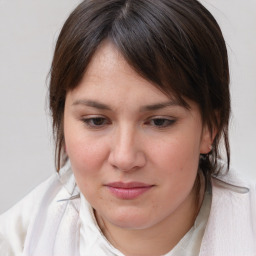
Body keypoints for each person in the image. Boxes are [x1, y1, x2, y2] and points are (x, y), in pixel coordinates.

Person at [0, 0, 255, 255]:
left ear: (210, 127)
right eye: (96, 121)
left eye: (159, 122)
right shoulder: (17, 243)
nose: (124, 158)